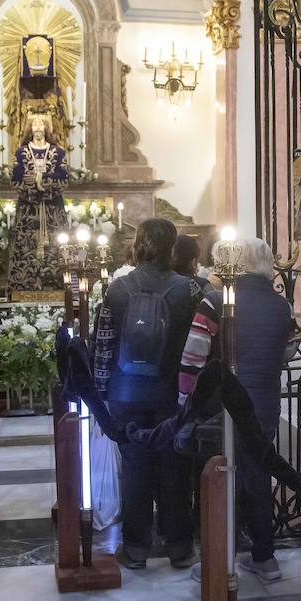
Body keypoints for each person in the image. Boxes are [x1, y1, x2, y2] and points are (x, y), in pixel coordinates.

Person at [179, 238, 296, 580]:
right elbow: (287, 353)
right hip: (265, 406)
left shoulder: (215, 300)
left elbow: (193, 357)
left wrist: (184, 403)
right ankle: (264, 557)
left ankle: (220, 558)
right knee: (258, 477)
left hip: (224, 407)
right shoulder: (282, 306)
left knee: (220, 477)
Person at [93, 218, 202, 570]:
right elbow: (197, 348)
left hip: (126, 393)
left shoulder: (117, 288)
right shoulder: (189, 290)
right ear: (172, 247)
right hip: (172, 394)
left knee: (135, 469)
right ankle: (180, 548)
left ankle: (136, 549)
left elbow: (104, 345)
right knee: (175, 468)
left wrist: (100, 394)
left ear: (138, 244)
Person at [9, 112, 70, 291]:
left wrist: (41, 183)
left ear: (46, 128)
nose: (37, 127)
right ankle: (24, 289)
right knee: (25, 249)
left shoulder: (58, 152)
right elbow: (15, 179)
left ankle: (57, 289)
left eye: (41, 124)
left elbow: (64, 178)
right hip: (28, 212)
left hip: (53, 213)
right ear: (30, 128)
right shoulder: (21, 152)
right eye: (34, 124)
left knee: (57, 249)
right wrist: (33, 188)